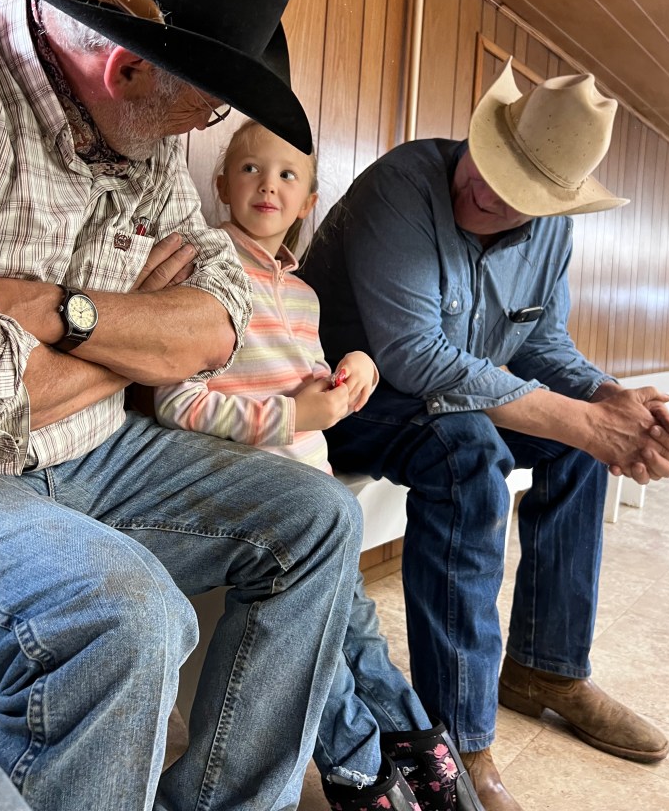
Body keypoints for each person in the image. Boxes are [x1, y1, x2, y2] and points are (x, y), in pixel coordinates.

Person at [0, 0, 364, 811]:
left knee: (317, 519)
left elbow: (221, 317)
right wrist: (139, 336)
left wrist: (62, 314)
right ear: (127, 63)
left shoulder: (138, 115)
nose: (202, 125)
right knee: (126, 612)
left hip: (93, 449)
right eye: (205, 107)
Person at [298, 60, 669, 811]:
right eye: (489, 161)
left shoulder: (553, 235)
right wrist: (584, 419)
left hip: (442, 405)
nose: (484, 191)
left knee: (571, 444)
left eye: (517, 193)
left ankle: (548, 668)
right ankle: (458, 741)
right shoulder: (402, 185)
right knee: (470, 453)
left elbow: (542, 344)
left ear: (553, 204)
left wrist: (608, 400)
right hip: (341, 398)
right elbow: (414, 356)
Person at [155, 120, 485, 811]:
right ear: (221, 183)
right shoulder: (202, 268)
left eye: (287, 175)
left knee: (358, 631)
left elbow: (309, 381)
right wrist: (289, 417)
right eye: (250, 169)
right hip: (246, 496)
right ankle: (362, 775)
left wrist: (354, 369)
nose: (267, 185)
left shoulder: (303, 294)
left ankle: (423, 754)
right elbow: (175, 399)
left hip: (316, 495)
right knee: (317, 644)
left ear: (308, 201)